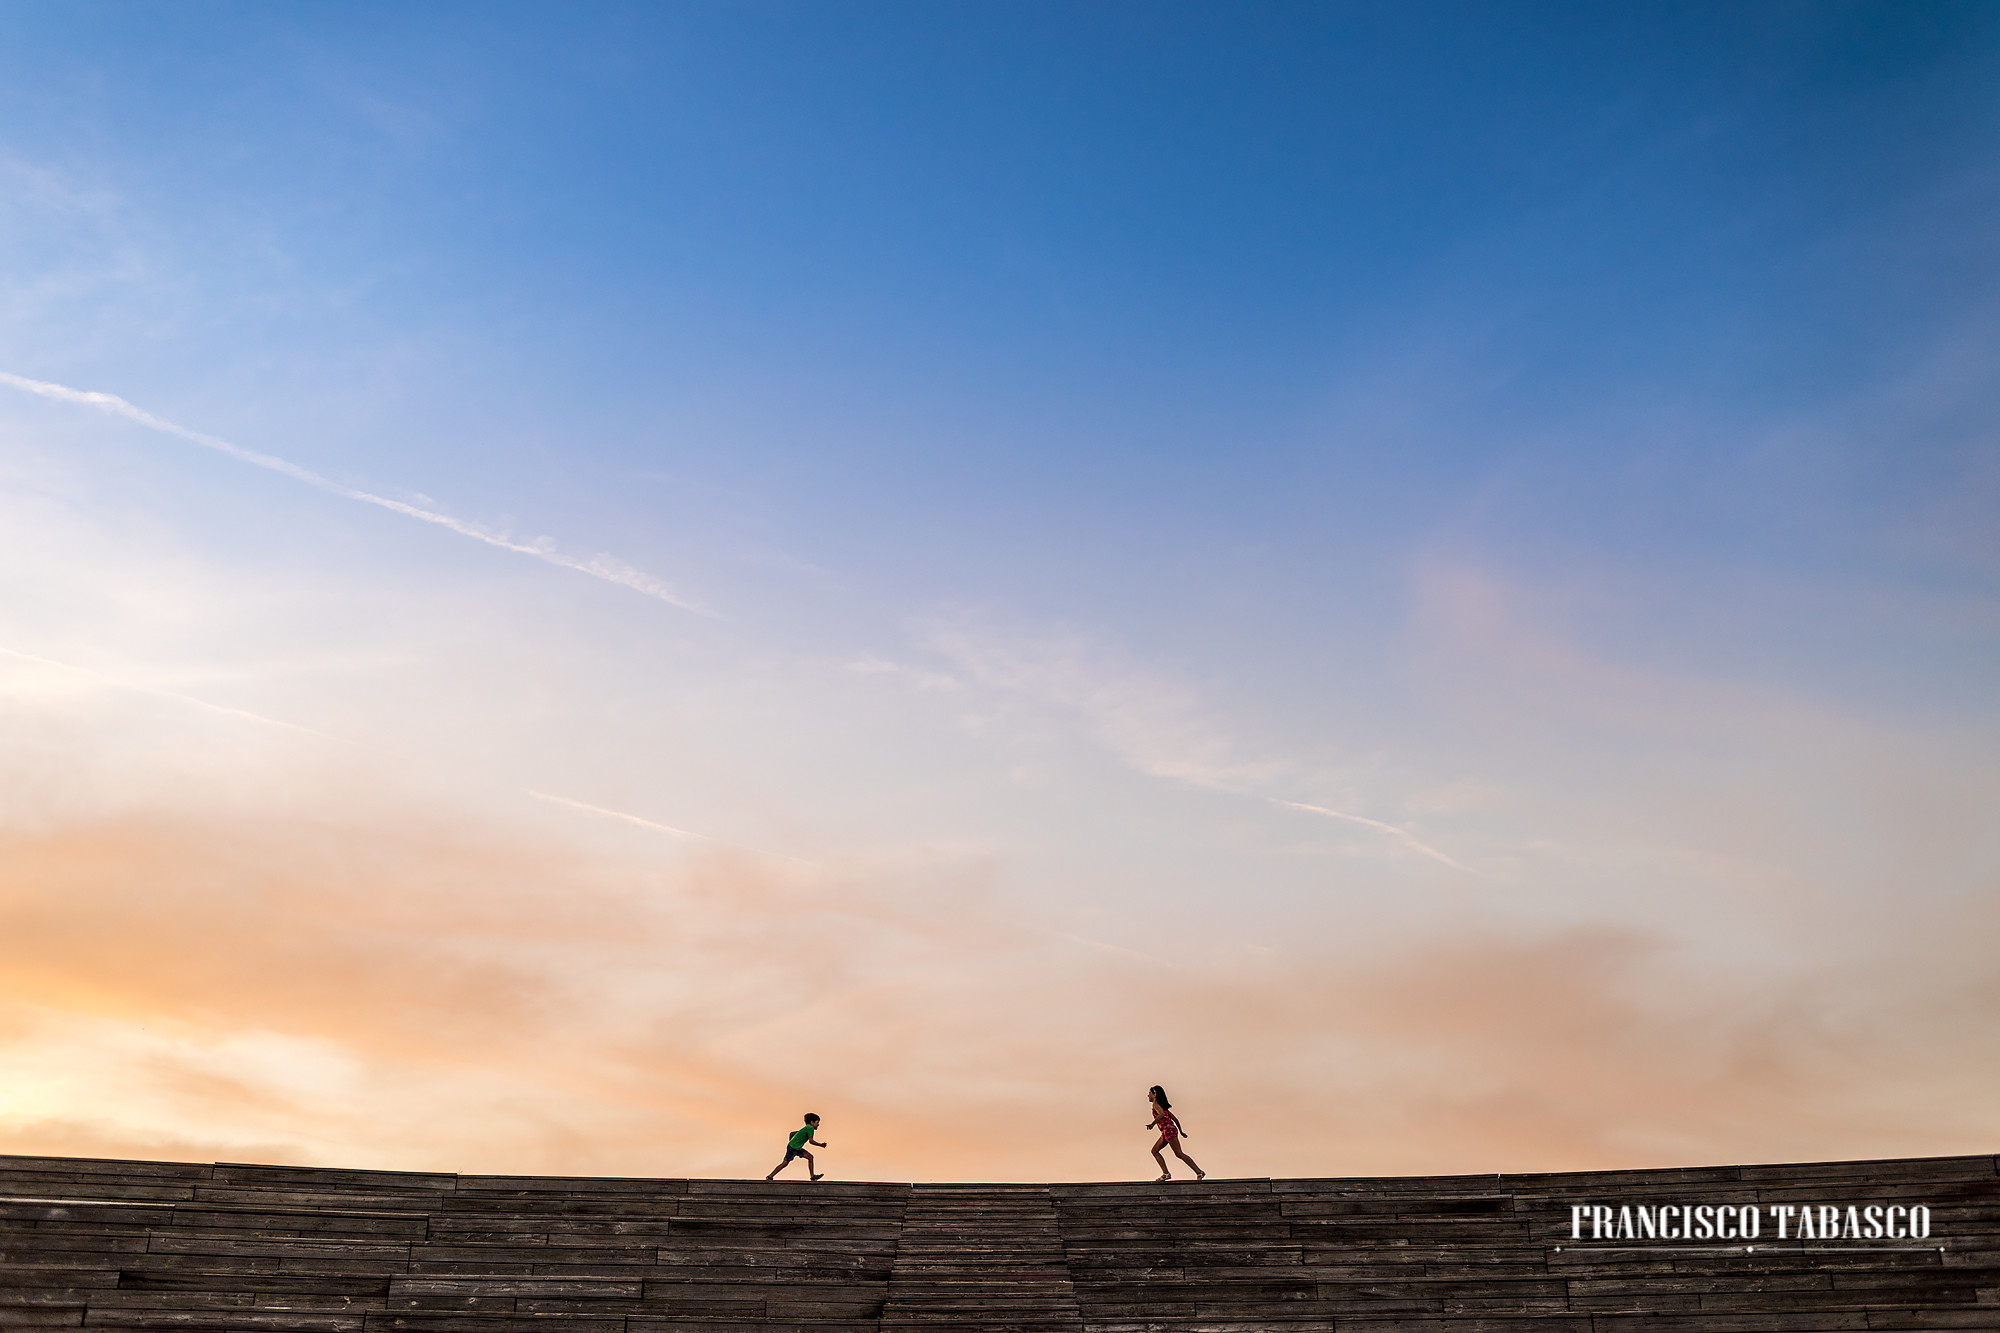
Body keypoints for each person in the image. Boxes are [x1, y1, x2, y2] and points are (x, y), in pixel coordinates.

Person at [1146, 1085, 1204, 1182]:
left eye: (1150, 1093)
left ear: (1155, 1095)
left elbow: (1161, 1115)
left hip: (1168, 1131)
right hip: (1167, 1131)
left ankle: (1199, 1172)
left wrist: (1152, 1124)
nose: (1148, 1096)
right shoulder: (1163, 1108)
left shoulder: (1156, 1106)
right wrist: (1181, 1131)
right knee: (1154, 1151)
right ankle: (1166, 1173)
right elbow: (1175, 1119)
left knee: (1179, 1153)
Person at [766, 1113, 826, 1181]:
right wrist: (821, 1145)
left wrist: (792, 1141)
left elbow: (792, 1133)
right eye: (817, 1122)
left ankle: (812, 1177)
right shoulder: (810, 1128)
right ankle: (770, 1176)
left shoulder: (806, 1128)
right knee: (785, 1163)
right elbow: (811, 1141)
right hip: (793, 1148)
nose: (818, 1124)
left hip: (797, 1148)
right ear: (812, 1122)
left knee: (810, 1157)